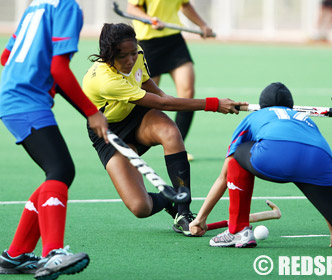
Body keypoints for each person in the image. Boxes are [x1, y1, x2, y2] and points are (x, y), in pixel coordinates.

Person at [189, 82, 332, 252]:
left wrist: (200, 218)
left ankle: (238, 231)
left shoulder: (255, 117)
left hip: (273, 155)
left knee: (237, 155)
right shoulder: (304, 119)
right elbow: (308, 160)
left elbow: (225, 174)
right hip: (319, 158)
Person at [82, 23, 245, 237]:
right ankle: (169, 199)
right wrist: (214, 104)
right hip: (108, 133)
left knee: (170, 132)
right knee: (141, 208)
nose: (131, 60)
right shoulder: (106, 81)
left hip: (136, 114)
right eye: (124, 56)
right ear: (109, 55)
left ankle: (184, 213)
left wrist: (160, 92)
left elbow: (144, 79)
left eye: (133, 53)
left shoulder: (137, 53)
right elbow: (164, 105)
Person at [0, 0, 108, 279]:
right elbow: (58, 69)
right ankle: (53, 253)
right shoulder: (68, 7)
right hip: (26, 102)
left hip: (14, 98)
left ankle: (15, 255)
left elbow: (5, 57)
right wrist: (91, 112)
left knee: (56, 173)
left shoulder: (35, 6)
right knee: (60, 170)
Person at [126, 0, 214, 161]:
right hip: (148, 43)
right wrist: (150, 19)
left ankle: (179, 145)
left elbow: (185, 5)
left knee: (188, 92)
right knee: (147, 98)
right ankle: (132, 143)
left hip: (174, 41)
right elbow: (131, 8)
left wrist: (202, 25)